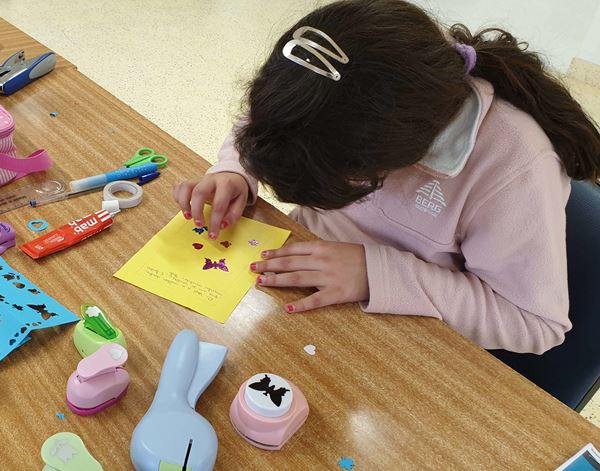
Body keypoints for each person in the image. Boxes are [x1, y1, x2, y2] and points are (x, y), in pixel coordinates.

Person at [173, 0, 600, 354]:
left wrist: (374, 272)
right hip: (303, 277)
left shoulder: (515, 167)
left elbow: (533, 324)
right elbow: (271, 123)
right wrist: (236, 169)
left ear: (402, 160)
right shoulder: (349, 85)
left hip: (403, 334)